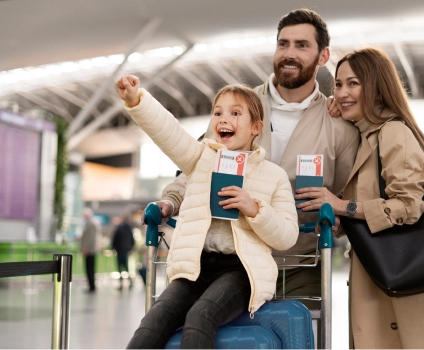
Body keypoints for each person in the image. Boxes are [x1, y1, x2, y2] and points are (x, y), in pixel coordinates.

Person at [153, 8, 360, 310]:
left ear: (323, 55)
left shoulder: (339, 127)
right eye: (283, 44)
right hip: (231, 261)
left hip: (300, 265)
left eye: (302, 45)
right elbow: (201, 165)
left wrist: (337, 220)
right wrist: (171, 200)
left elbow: (346, 196)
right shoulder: (238, 107)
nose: (289, 53)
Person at [297, 47, 424, 349]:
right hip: (380, 276)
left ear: (376, 89)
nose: (342, 92)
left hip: (406, 282)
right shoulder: (366, 137)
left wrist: (342, 205)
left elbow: (408, 206)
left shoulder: (393, 133)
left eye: (354, 83)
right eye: (338, 84)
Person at [116, 76, 299, 349]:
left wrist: (254, 209)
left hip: (240, 271)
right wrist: (136, 100)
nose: (224, 118)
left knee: (201, 315)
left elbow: (287, 236)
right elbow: (169, 133)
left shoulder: (274, 176)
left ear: (256, 127)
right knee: (153, 322)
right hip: (195, 266)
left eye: (236, 113)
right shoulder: (201, 158)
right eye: (218, 112)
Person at [111, 214, 136, 290]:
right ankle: (130, 282)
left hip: (120, 249)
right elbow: (132, 239)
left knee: (120, 267)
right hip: (126, 249)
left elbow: (115, 238)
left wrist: (113, 247)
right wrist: (131, 247)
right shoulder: (129, 228)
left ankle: (121, 284)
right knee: (126, 266)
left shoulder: (119, 228)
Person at [80, 208, 101, 293]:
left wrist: (86, 247)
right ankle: (91, 286)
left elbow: (90, 238)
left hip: (90, 250)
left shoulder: (92, 224)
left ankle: (92, 286)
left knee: (90, 268)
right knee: (89, 268)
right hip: (90, 249)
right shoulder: (92, 223)